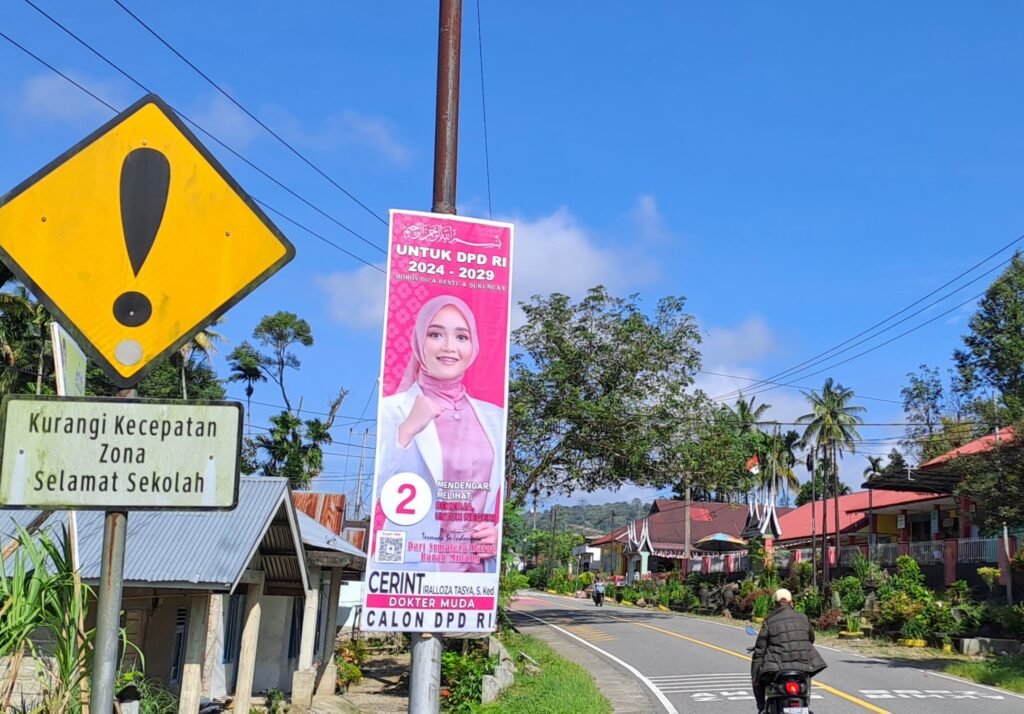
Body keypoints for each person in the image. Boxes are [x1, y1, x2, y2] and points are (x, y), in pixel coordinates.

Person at [374, 295, 505, 572]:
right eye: (435, 334)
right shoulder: (393, 410)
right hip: (414, 568)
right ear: (419, 341)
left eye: (461, 336)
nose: (449, 347)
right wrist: (408, 429)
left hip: (475, 575)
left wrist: (497, 534)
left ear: (473, 346)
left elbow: (498, 501)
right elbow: (373, 492)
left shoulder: (494, 417)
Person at [750, 588, 827, 713]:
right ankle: (805, 702)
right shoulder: (803, 617)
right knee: (806, 679)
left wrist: (755, 675)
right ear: (791, 602)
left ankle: (761, 707)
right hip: (802, 667)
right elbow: (811, 639)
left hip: (776, 669)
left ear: (775, 604)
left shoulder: (769, 621)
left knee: (757, 681)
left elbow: (760, 651)